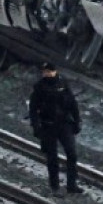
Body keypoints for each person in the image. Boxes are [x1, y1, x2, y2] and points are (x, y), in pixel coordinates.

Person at [29, 62, 83, 194]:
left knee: (72, 154)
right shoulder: (39, 87)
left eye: (49, 71)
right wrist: (37, 128)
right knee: (52, 158)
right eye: (45, 71)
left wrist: (77, 121)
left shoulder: (63, 84)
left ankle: (72, 185)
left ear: (55, 71)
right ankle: (55, 187)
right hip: (48, 125)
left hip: (64, 124)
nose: (47, 74)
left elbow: (72, 104)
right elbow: (33, 109)